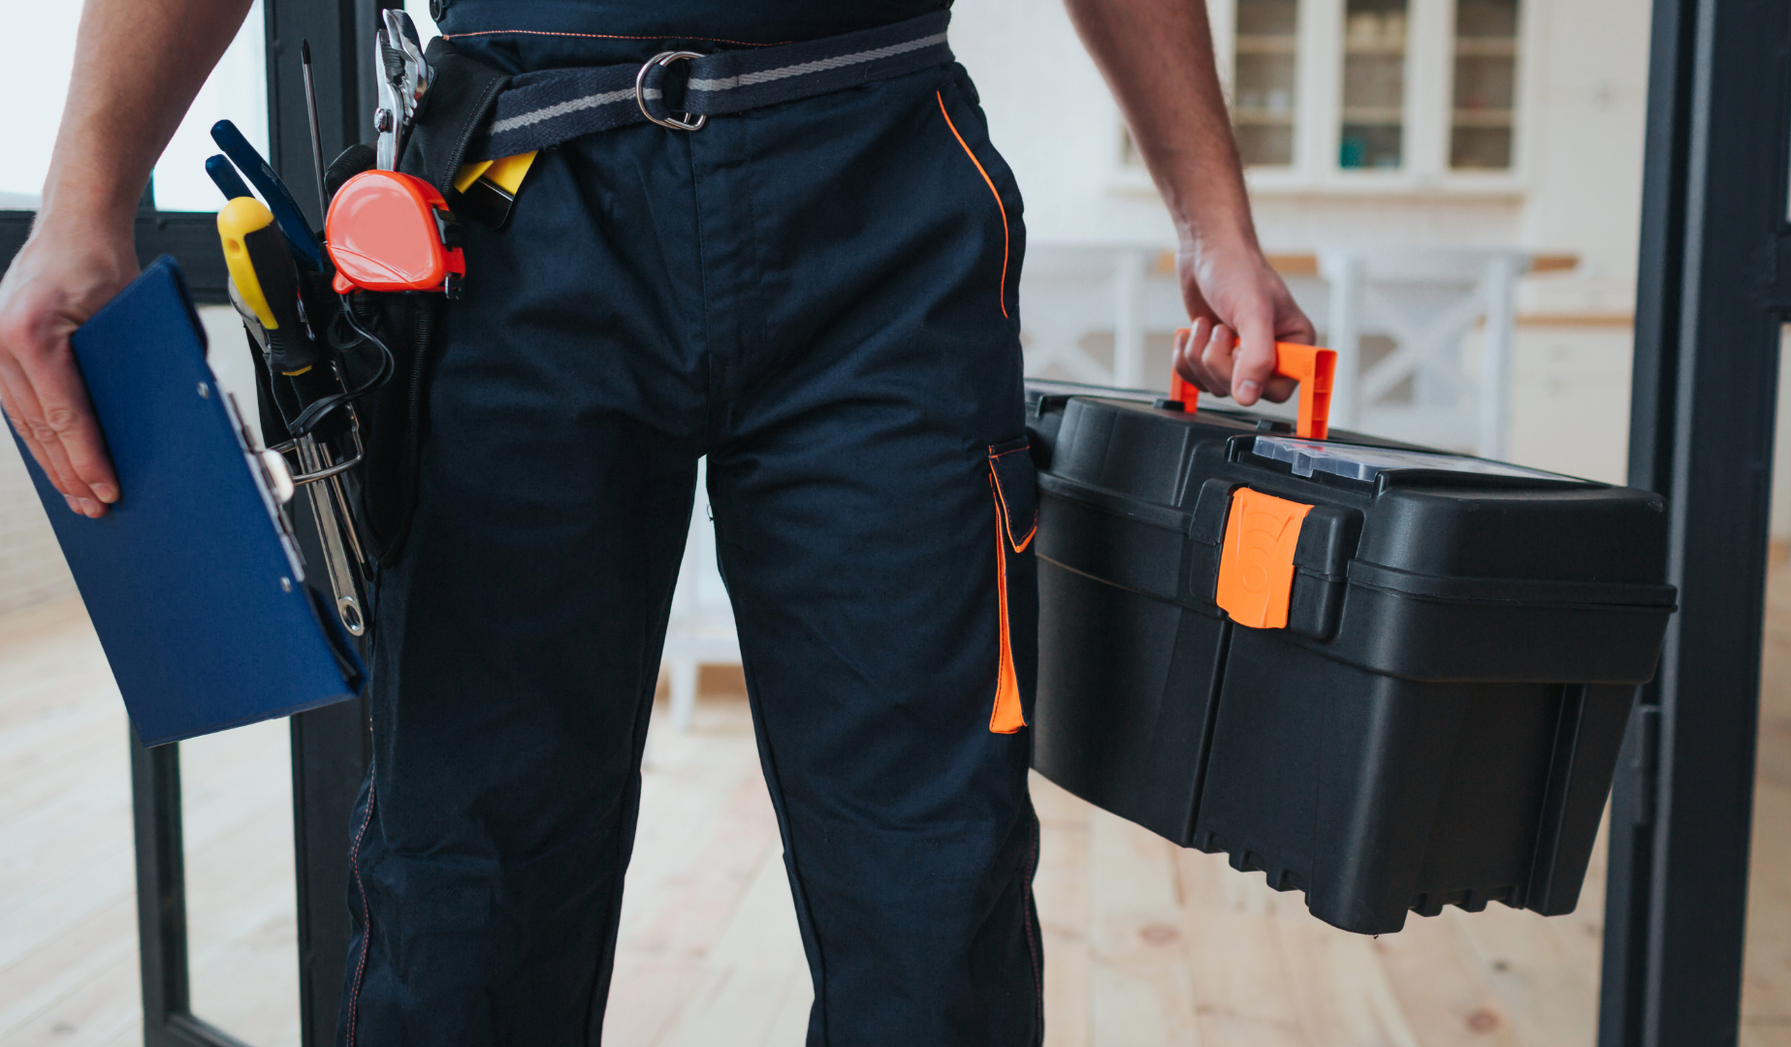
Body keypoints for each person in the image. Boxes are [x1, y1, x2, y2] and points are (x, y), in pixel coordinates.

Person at [0, 0, 1315, 1042]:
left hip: (882, 192)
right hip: (513, 200)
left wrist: (1213, 218)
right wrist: (85, 198)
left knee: (936, 889)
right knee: (466, 881)